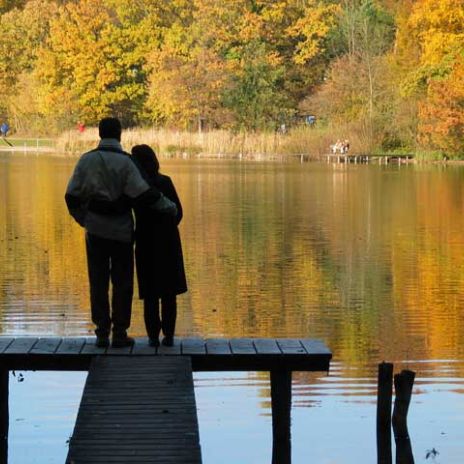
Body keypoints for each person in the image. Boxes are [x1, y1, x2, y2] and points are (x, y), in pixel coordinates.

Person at [65, 117, 177, 348]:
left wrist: (83, 219)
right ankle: (119, 333)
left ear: (99, 134)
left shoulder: (86, 161)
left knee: (97, 282)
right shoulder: (126, 163)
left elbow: (71, 196)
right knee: (122, 282)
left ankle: (102, 333)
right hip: (121, 232)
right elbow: (145, 193)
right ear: (120, 135)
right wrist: (170, 207)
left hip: (95, 230)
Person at [131, 145, 187, 347]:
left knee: (150, 294)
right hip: (168, 241)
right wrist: (167, 227)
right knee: (169, 293)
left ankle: (153, 337)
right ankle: (169, 337)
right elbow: (178, 212)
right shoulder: (165, 182)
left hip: (145, 241)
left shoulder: (135, 188)